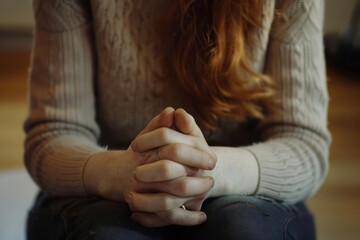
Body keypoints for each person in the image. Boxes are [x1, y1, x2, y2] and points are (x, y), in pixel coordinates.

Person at [24, 0, 331, 239]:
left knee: (243, 230)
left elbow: (304, 145)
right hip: (108, 180)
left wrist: (206, 173)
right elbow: (53, 136)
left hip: (243, 181)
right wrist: (123, 173)